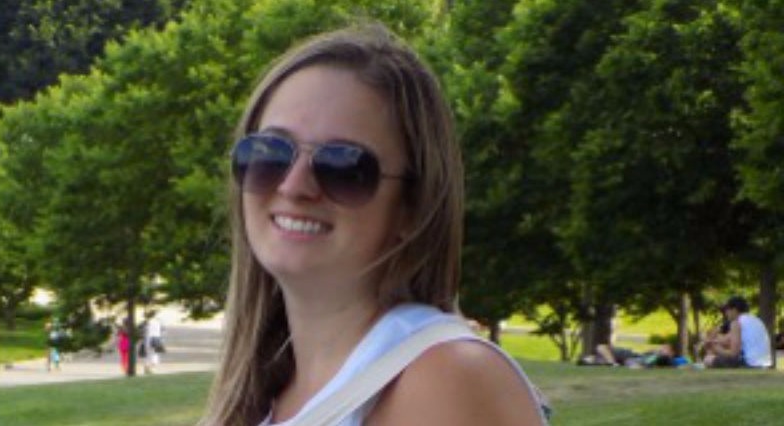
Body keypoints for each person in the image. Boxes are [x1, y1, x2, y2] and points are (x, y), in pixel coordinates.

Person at [200, 23, 547, 425]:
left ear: (413, 207)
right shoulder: (269, 397)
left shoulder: (444, 379)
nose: (294, 185)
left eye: (344, 167)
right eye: (270, 153)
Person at [704, 296, 772, 369]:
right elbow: (726, 340)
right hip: (765, 364)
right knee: (716, 351)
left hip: (749, 364)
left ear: (734, 310)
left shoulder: (736, 323)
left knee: (708, 359)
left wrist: (714, 347)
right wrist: (713, 341)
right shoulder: (756, 320)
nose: (726, 313)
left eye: (727, 310)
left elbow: (734, 353)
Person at [592, 342, 688, 368]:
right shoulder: (656, 355)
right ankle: (610, 362)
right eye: (662, 346)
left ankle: (611, 363)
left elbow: (684, 363)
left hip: (629, 357)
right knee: (599, 350)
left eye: (665, 348)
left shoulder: (665, 359)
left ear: (671, 353)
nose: (661, 348)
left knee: (601, 347)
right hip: (633, 355)